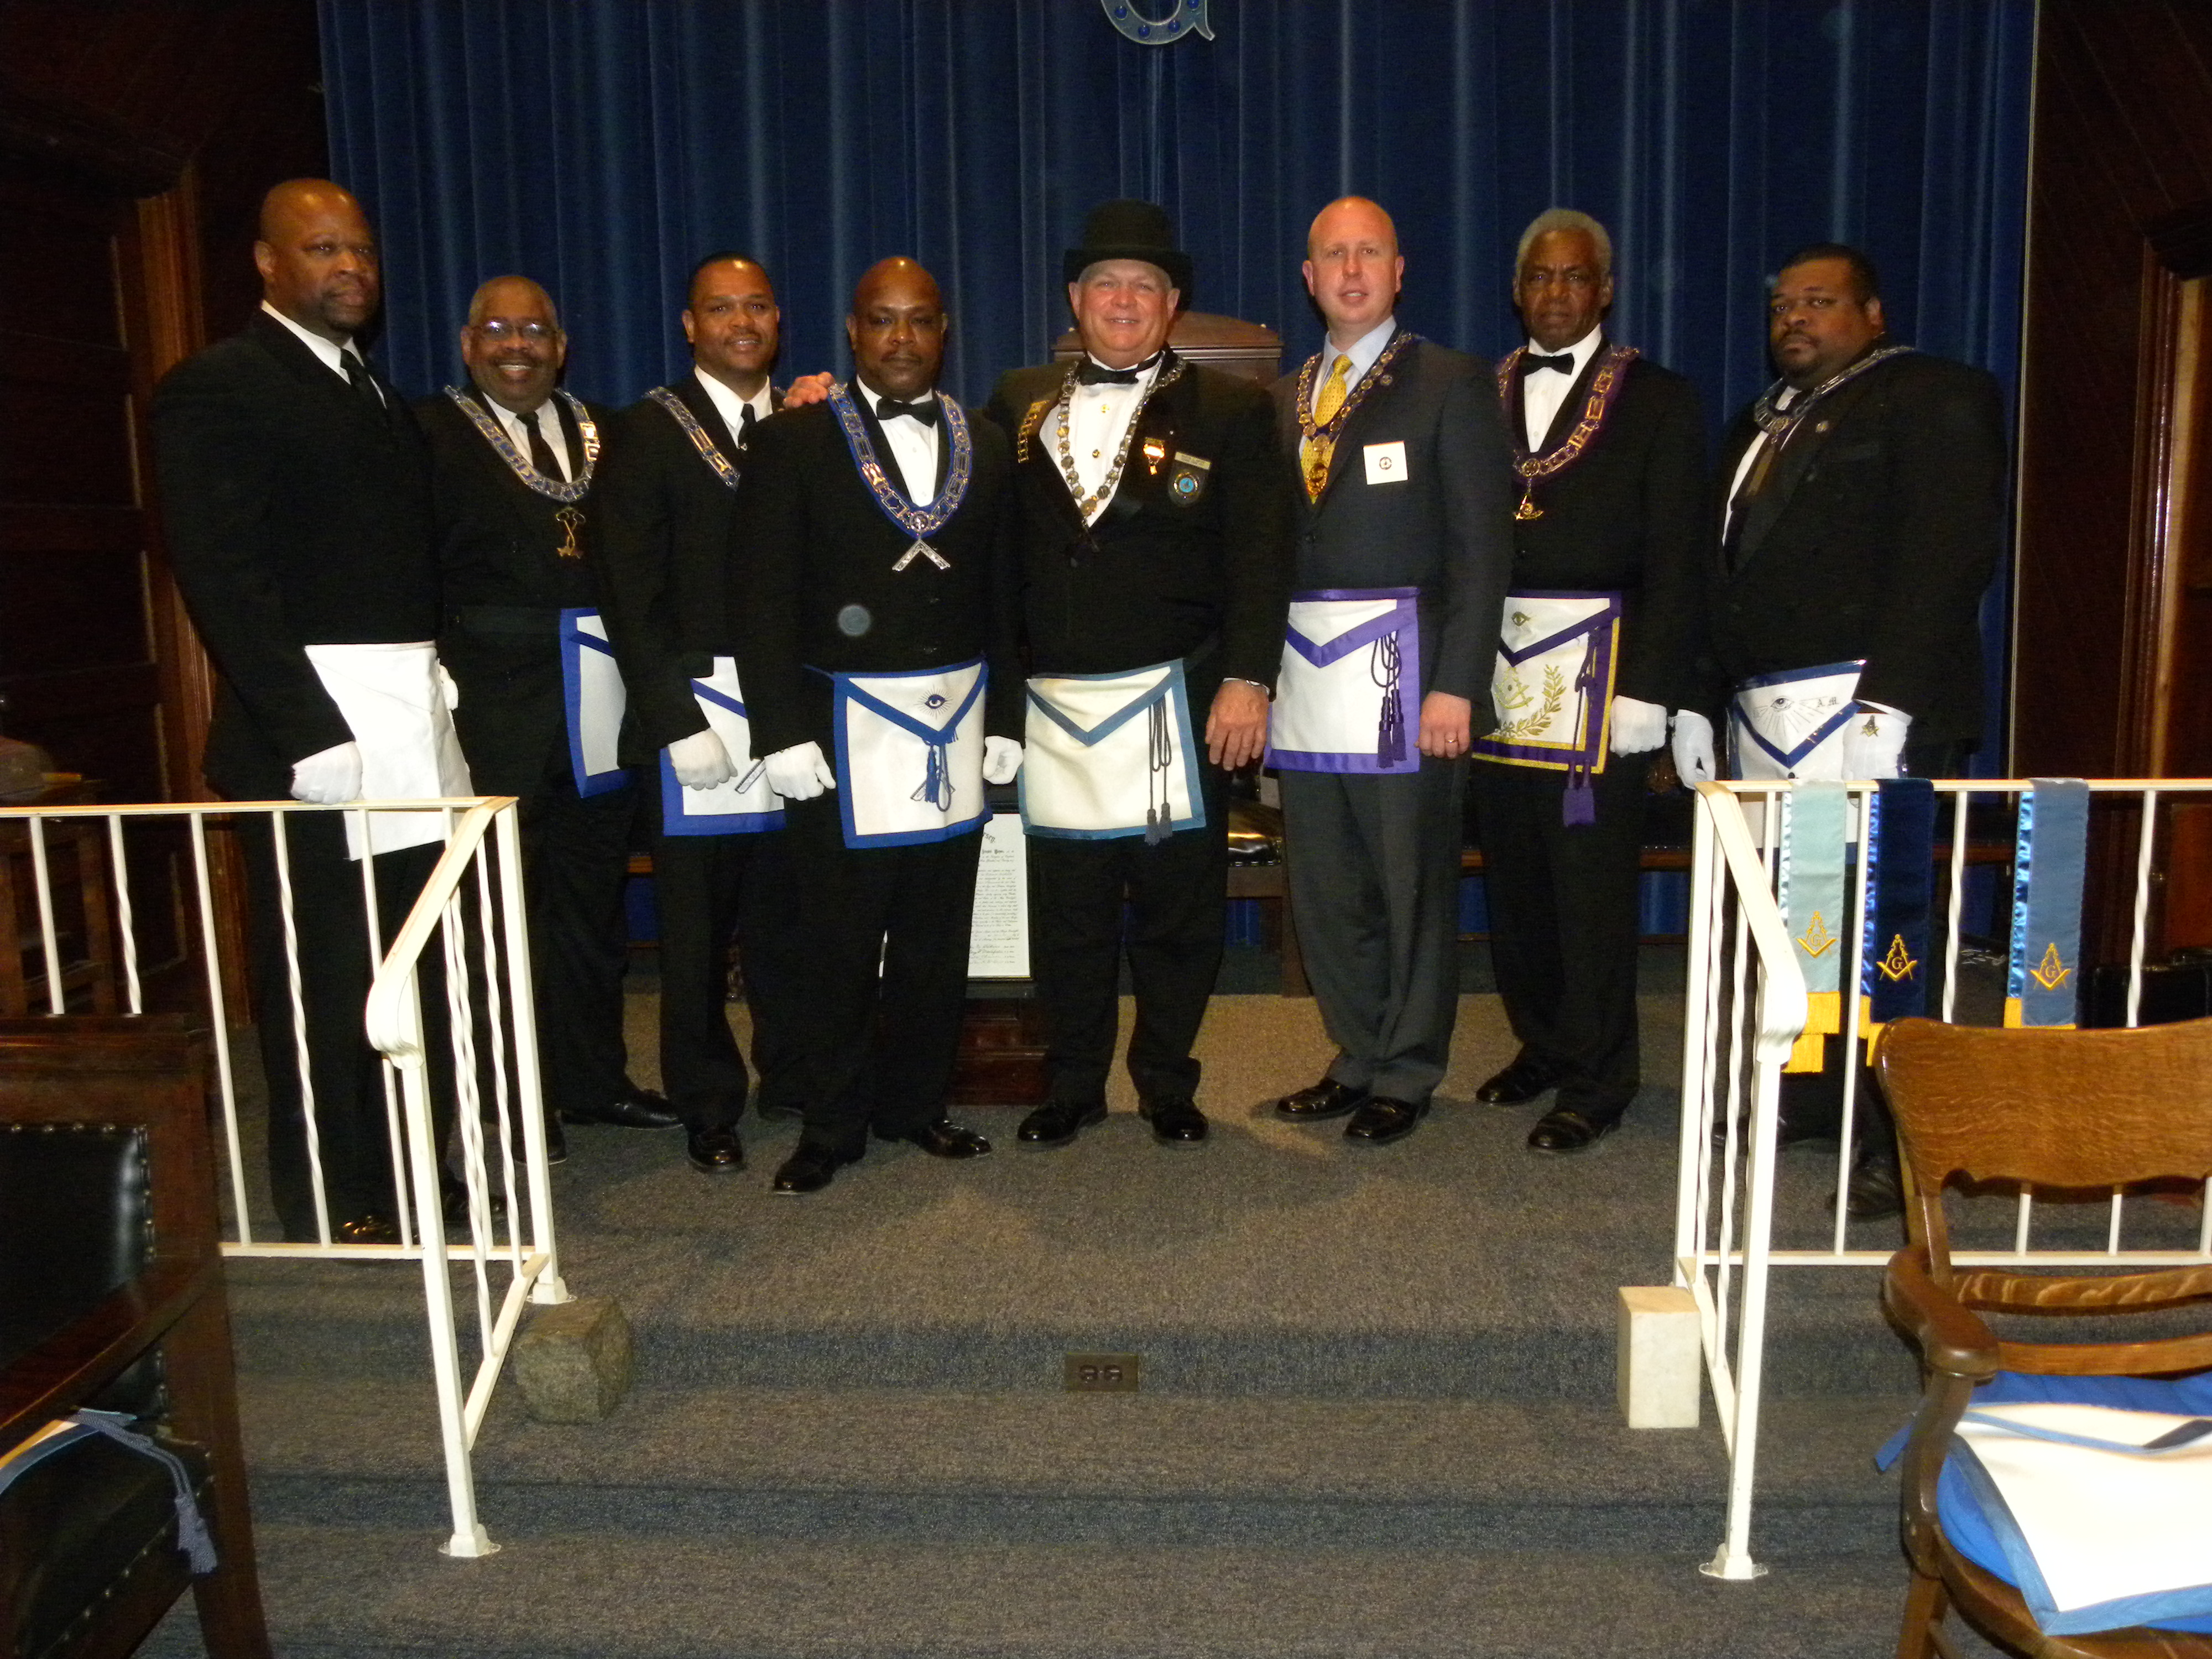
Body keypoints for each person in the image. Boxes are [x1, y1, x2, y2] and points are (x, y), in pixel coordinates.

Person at [153, 179, 468, 1243]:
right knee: (325, 980)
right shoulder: (221, 386)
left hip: (408, 724)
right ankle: (337, 1197)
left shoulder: (371, 390)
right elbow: (222, 574)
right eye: (324, 249)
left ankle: (415, 1168)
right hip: (317, 744)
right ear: (267, 263)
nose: (350, 269)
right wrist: (305, 730)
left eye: (362, 251)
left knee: (413, 965)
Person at [1674, 242, 2007, 1214]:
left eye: (1818, 302)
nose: (1794, 318)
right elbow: (1718, 573)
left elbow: (1949, 554)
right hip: (1766, 723)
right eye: (1782, 304)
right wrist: (1697, 693)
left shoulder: (1935, 394)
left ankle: (1902, 1136)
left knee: (1888, 925)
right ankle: (1817, 1097)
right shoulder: (1756, 423)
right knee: (1793, 919)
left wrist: (1892, 700)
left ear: (1873, 314)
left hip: (1874, 715)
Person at [987, 200, 1295, 1150]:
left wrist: (1248, 679)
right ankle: (1073, 1083)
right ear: (1075, 299)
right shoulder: (1016, 402)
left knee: (1177, 912)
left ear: (1172, 304)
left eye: (1145, 286)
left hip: (1179, 697)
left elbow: (1261, 558)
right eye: (1106, 284)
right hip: (1055, 704)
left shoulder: (1231, 410)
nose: (1124, 300)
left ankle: (1167, 1081)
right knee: (1068, 912)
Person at [731, 257, 1018, 1194]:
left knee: (938, 936)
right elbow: (761, 598)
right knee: (837, 944)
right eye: (883, 320)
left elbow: (1005, 592)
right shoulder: (794, 442)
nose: (902, 338)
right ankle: (832, 1122)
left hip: (955, 729)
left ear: (944, 332)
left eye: (920, 320)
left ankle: (916, 1106)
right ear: (853, 331)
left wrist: (1009, 715)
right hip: (836, 735)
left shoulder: (986, 441)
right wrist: (779, 730)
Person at [1265, 196, 1514, 1147]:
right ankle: (1355, 1053)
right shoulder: (1282, 398)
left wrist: (1459, 684)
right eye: (1333, 255)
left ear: (1399, 271)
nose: (1351, 270)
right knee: (1328, 885)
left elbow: (1483, 549)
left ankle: (1407, 1068)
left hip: (1410, 681)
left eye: (1369, 252)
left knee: (1410, 882)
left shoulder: (1450, 382)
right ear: (1309, 277)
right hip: (1306, 680)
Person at [416, 275, 682, 1164]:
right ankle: (513, 1100)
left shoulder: (611, 429)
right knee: (502, 916)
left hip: (599, 702)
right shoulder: (427, 433)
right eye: (497, 328)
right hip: (493, 707)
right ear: (468, 343)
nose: (516, 344)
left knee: (591, 907)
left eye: (534, 329)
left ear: (562, 346)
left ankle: (595, 1081)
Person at [1467, 208, 1706, 1154]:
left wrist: (1654, 686)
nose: (1556, 293)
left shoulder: (1661, 400)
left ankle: (1602, 1077)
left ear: (1604, 290)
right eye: (1540, 277)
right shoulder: (1476, 394)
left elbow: (1682, 555)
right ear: (1516, 290)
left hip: (1603, 682)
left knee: (1589, 887)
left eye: (1574, 277)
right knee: (1518, 879)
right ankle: (1543, 1044)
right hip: (1496, 677)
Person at [594, 254, 825, 1173]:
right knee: (694, 930)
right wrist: (671, 720)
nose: (742, 322)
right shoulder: (645, 432)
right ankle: (707, 1102)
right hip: (695, 718)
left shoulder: (808, 426)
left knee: (789, 915)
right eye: (721, 308)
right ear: (691, 326)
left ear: (778, 321)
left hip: (792, 715)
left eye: (757, 306)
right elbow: (626, 590)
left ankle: (794, 1074)